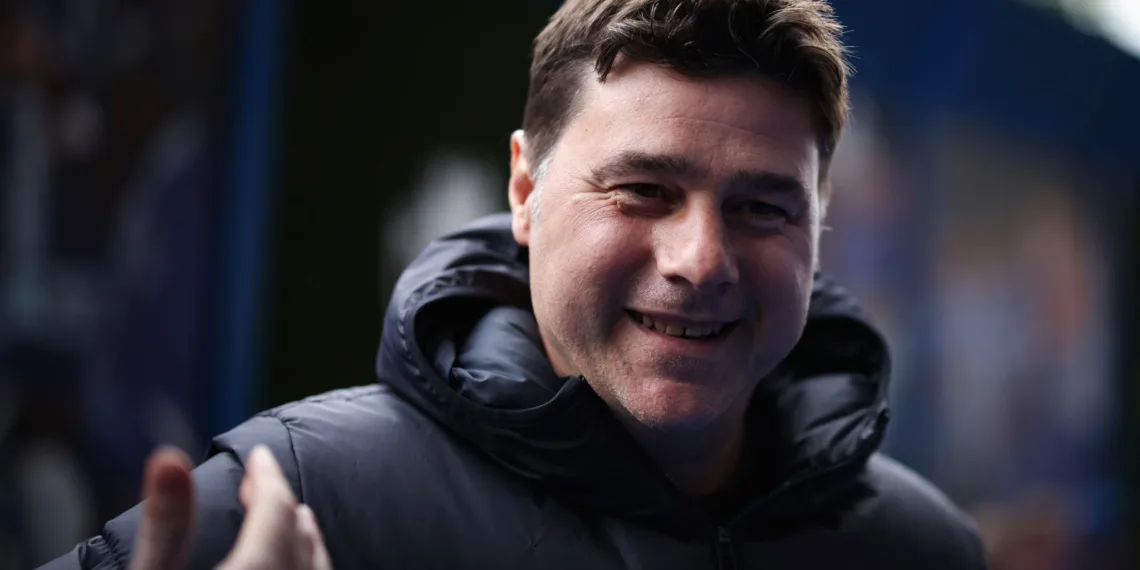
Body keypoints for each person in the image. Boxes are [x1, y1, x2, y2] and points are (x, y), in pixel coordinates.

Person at [40, 0, 989, 568]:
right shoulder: (293, 502)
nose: (701, 259)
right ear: (525, 192)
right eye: (643, 190)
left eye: (762, 208)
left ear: (818, 226)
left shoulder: (923, 551)